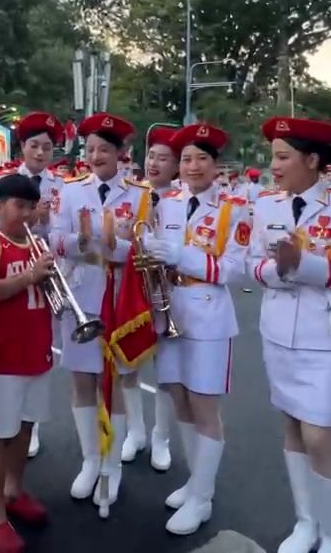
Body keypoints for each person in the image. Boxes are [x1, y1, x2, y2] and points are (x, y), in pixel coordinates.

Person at [247, 116, 331, 553]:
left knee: (320, 434)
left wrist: (303, 266)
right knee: (293, 428)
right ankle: (306, 522)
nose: (274, 166)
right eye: (272, 157)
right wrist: (281, 271)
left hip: (329, 335)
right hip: (278, 330)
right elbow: (252, 264)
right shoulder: (265, 205)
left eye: (283, 157)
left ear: (313, 159)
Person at [144, 123, 249, 535]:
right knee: (178, 397)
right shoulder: (166, 202)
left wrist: (180, 256)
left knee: (204, 405)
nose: (191, 166)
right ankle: (194, 480)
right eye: (186, 159)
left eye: (201, 158)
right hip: (170, 308)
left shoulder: (233, 208)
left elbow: (233, 268)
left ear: (216, 165)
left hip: (208, 311)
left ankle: (203, 497)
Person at [48, 112, 150, 515]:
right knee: (82, 380)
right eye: (90, 149)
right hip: (82, 293)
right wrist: (89, 241)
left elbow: (147, 247)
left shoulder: (140, 194)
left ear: (122, 153)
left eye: (104, 150)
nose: (95, 156)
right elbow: (56, 239)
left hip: (122, 295)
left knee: (117, 378)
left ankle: (112, 467)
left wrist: (119, 248)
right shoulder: (71, 190)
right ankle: (91, 458)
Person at [0, 174, 56, 552]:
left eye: (30, 207)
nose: (25, 214)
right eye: (17, 206)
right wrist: (30, 276)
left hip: (39, 349)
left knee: (25, 429)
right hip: (5, 352)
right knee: (0, 434)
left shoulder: (39, 242)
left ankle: (13, 491)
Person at [0, 111, 65, 458]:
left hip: (47, 269)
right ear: (22, 146)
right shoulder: (2, 181)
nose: (40, 153)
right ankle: (7, 426)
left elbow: (62, 232)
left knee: (42, 346)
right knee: (12, 349)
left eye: (47, 148)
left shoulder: (62, 186)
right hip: (13, 265)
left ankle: (30, 426)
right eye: (34, 146)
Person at [121, 123, 180, 470]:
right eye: (152, 156)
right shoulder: (131, 193)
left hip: (169, 291)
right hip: (134, 289)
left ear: (176, 166)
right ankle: (135, 430)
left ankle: (161, 437)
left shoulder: (182, 201)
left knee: (166, 370)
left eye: (164, 158)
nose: (155, 164)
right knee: (128, 363)